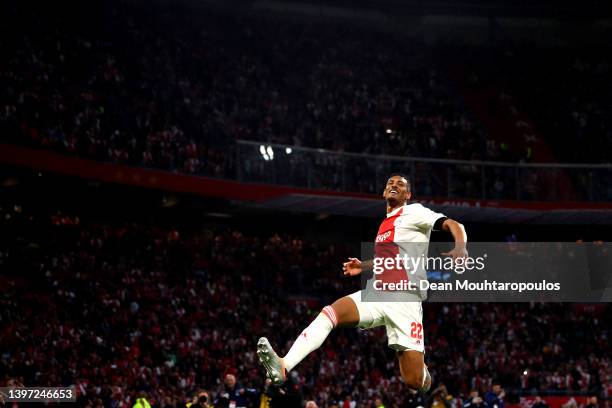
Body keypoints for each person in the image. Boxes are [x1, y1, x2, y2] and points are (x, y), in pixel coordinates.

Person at [257, 173, 467, 392]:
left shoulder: (414, 212)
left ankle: (425, 373)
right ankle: (284, 365)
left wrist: (460, 247)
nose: (394, 185)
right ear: (384, 192)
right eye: (390, 183)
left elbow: (454, 224)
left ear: (408, 194)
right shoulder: (386, 224)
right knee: (331, 313)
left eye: (400, 184)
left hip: (406, 300)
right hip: (377, 293)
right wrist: (364, 266)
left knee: (414, 381)